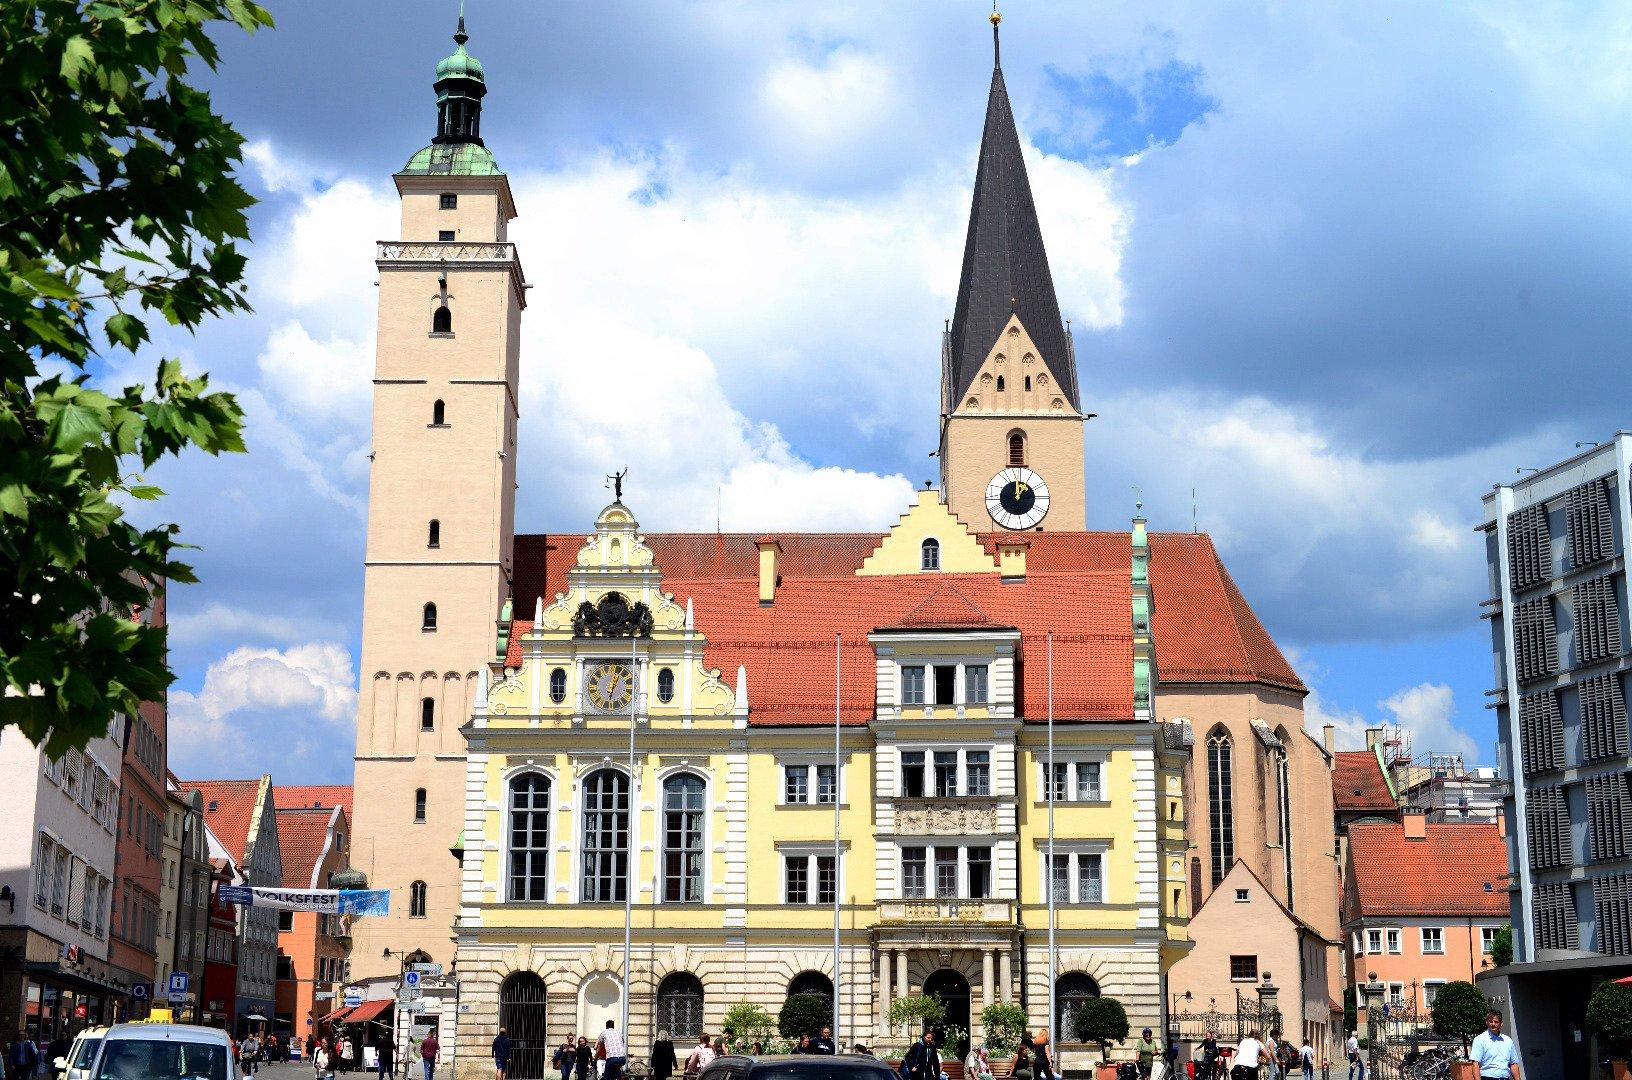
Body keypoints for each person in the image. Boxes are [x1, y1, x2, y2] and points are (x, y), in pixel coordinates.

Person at [1469, 1010, 1520, 1080]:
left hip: (1505, 1078)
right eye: (1490, 1021)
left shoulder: (1508, 1040)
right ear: (1486, 1022)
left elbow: (1513, 1064)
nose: (1493, 1024)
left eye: (1496, 1022)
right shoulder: (1480, 1039)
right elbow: (1475, 1064)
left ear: (1501, 1023)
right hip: (1487, 1078)